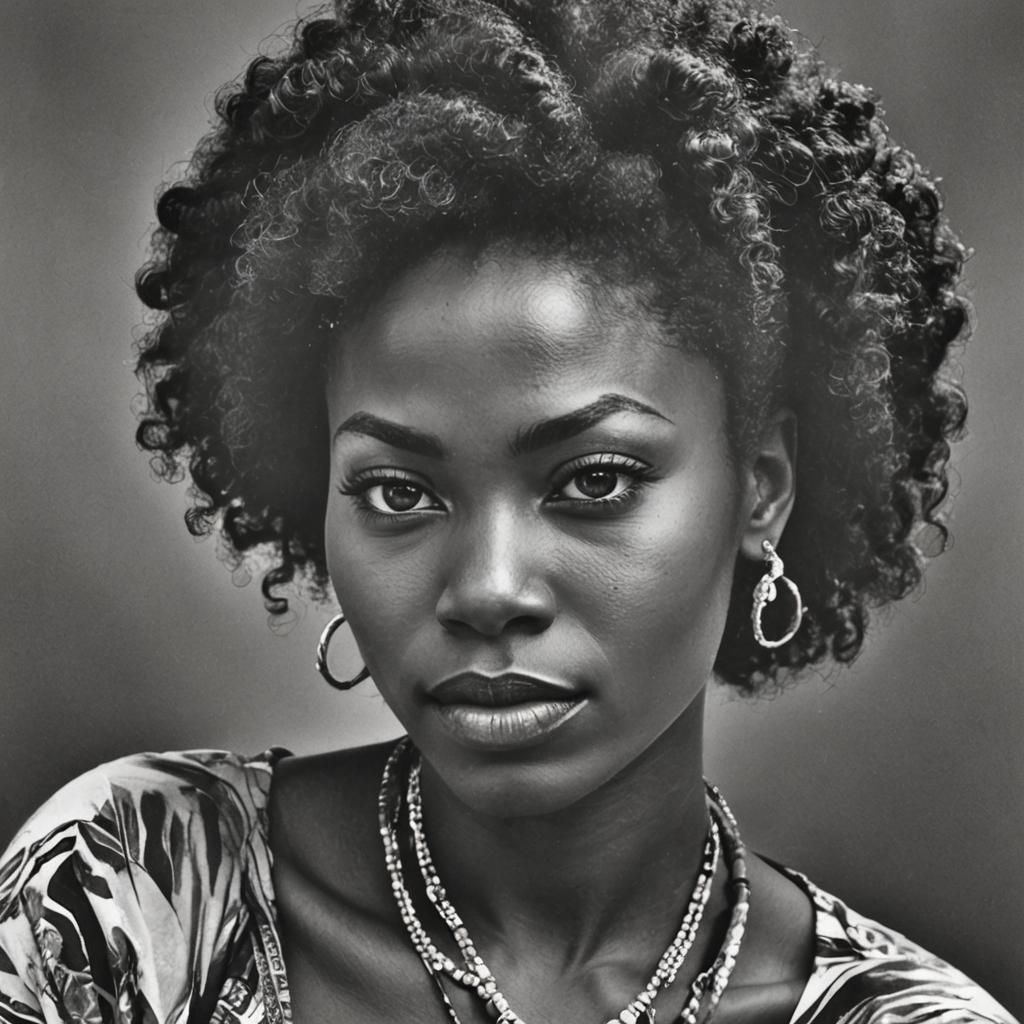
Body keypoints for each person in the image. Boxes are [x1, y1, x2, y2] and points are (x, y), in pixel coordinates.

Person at [0, 0, 1016, 1021]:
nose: (486, 588)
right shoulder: (122, 895)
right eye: (400, 492)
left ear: (761, 487)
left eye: (593, 481)